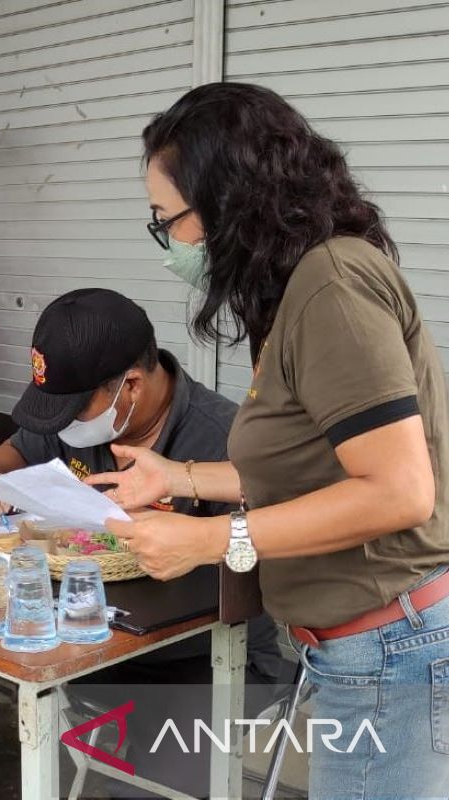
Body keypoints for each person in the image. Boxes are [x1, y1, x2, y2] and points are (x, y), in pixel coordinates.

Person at [91, 82, 449, 797]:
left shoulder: (332, 284)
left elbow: (400, 492)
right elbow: (311, 467)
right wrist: (180, 478)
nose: (173, 244)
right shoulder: (293, 293)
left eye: (170, 220)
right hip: (361, 649)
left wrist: (211, 540)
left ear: (228, 202)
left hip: (390, 648)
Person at [0, 288, 281, 795]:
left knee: (148, 787)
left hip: (209, 661)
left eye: (73, 409)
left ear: (130, 385)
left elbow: (262, 566)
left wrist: (197, 544)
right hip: (91, 643)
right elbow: (10, 455)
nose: (63, 425)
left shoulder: (226, 441)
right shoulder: (72, 423)